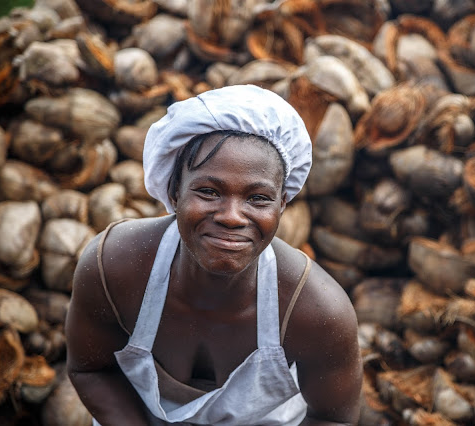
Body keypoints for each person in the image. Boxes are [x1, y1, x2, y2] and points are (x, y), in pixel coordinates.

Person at [65, 85, 363, 425]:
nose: (232, 216)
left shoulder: (316, 311)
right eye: (208, 191)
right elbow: (91, 369)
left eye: (258, 198)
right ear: (175, 192)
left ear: (283, 204)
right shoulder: (115, 266)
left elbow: (333, 418)